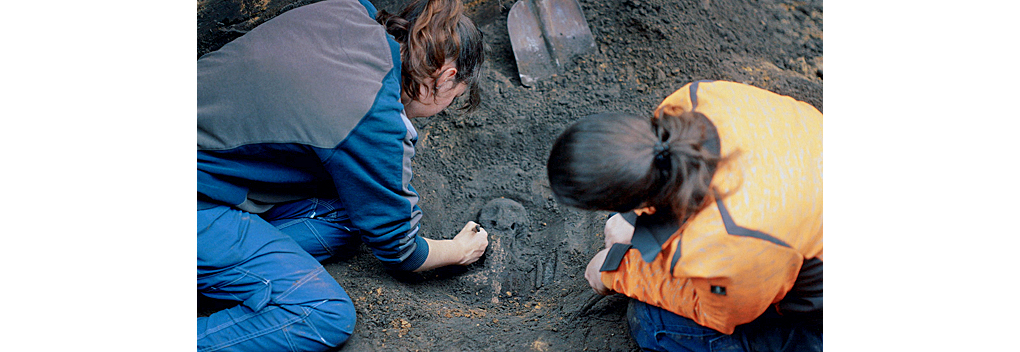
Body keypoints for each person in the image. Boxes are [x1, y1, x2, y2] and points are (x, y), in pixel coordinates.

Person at [196, 0, 488, 350]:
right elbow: (401, 249)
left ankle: (230, 268)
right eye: (452, 98)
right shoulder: (374, 120)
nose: (446, 107)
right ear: (445, 77)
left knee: (349, 215)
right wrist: (457, 250)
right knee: (323, 314)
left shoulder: (347, 10)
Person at [547, 80, 822, 351]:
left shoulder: (729, 238)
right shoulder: (691, 100)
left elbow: (721, 314)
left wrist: (617, 270)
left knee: (654, 324)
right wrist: (633, 217)